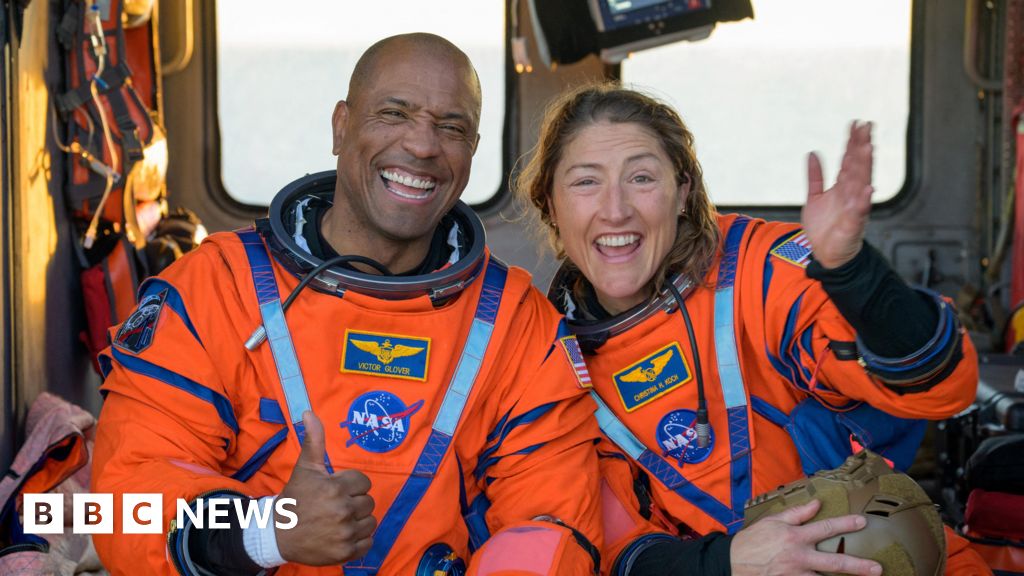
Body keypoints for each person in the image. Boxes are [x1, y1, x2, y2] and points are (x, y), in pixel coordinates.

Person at [91, 34, 604, 575]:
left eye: (451, 127)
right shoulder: (216, 288)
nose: (422, 145)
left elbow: (553, 524)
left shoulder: (518, 326)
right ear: (341, 126)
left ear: (472, 150)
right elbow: (128, 495)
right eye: (394, 113)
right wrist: (266, 533)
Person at [517, 83, 990, 575]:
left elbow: (942, 388)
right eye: (586, 182)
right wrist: (729, 563)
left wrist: (853, 274)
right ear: (550, 203)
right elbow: (616, 550)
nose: (616, 210)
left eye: (641, 178)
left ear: (682, 192)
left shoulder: (757, 273)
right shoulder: (547, 360)